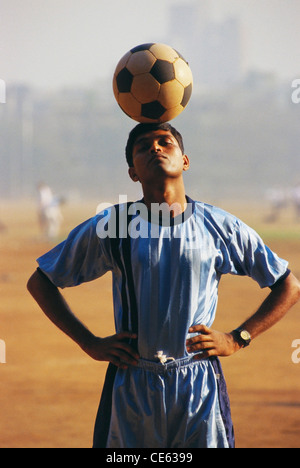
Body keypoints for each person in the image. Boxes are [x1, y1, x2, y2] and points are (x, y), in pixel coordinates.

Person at [27, 123, 300, 449]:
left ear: (184, 160)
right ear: (133, 172)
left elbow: (288, 286)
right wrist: (89, 342)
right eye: (143, 147)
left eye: (165, 142)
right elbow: (41, 281)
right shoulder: (113, 226)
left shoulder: (218, 225)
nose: (155, 148)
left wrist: (237, 338)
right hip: (131, 384)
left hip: (198, 385)